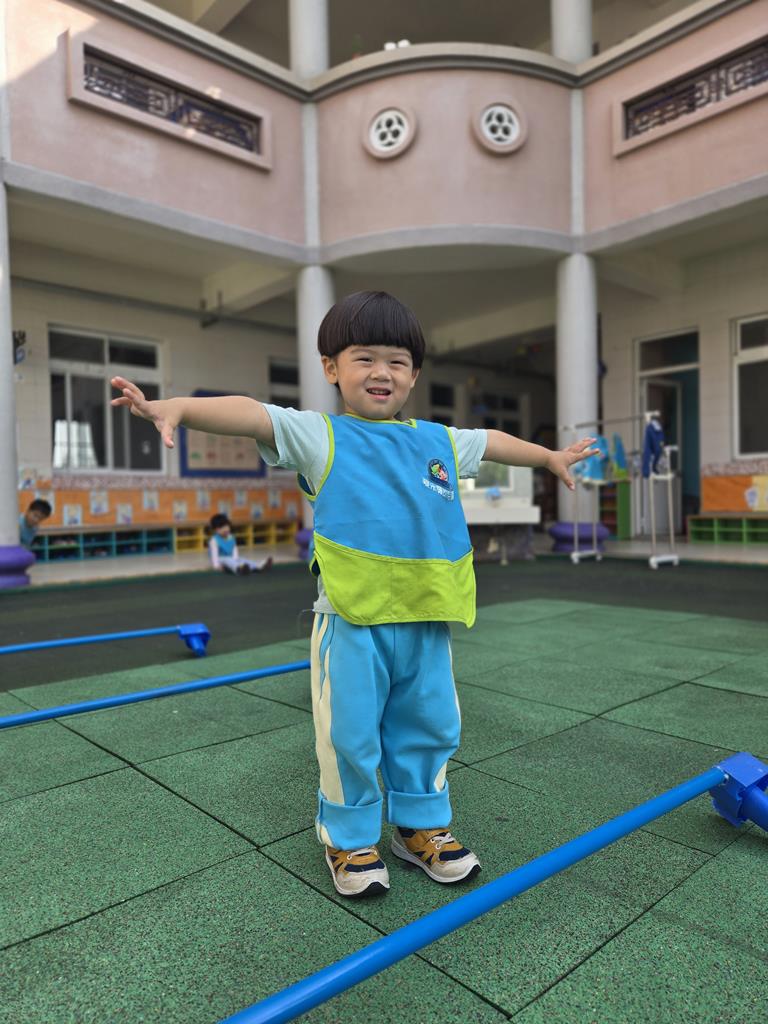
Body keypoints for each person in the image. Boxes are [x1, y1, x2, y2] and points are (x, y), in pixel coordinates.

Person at [111, 291, 598, 899]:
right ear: (330, 368)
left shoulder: (439, 442)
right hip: (351, 620)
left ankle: (421, 828)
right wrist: (177, 408)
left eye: (397, 361)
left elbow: (493, 441)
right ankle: (348, 838)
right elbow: (253, 414)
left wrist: (549, 457)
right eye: (364, 358)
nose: (381, 372)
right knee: (350, 735)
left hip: (426, 619)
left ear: (414, 375)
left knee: (431, 726)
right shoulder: (321, 436)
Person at [207, 513, 273, 575]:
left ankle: (258, 566)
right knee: (227, 560)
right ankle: (238, 569)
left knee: (242, 559)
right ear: (215, 530)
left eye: (226, 526)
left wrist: (236, 559)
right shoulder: (214, 540)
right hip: (220, 561)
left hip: (231, 559)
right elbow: (214, 554)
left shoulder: (231, 537)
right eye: (221, 528)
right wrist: (216, 566)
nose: (225, 529)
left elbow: (234, 550)